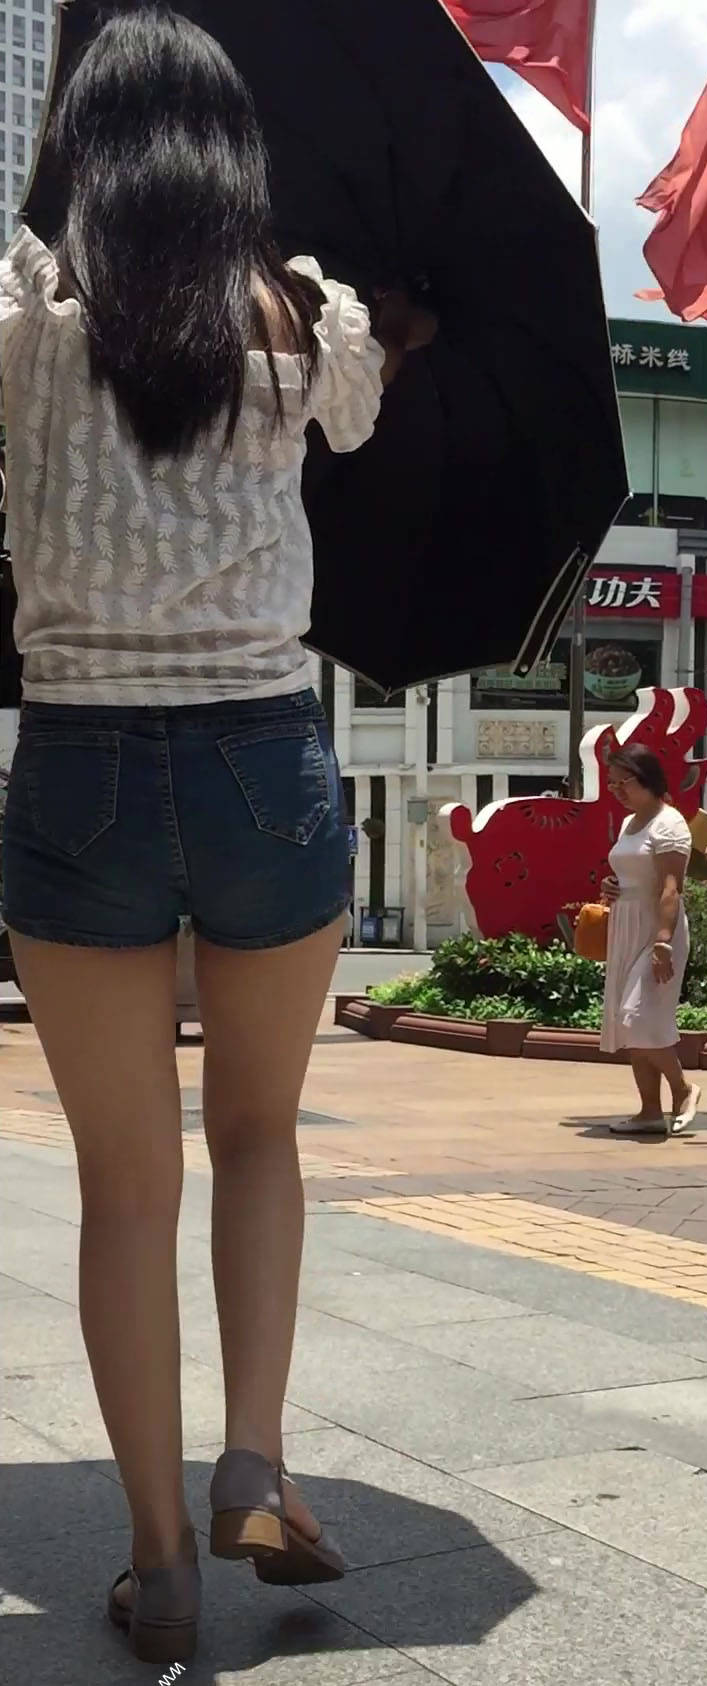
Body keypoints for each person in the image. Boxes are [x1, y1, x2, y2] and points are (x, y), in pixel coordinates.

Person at [0, 11, 434, 1665]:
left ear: (86, 154)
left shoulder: (27, 316)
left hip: (83, 763)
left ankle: (159, 1560)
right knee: (259, 1131)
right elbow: (363, 420)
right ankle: (255, 1459)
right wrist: (379, 323)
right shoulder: (302, 316)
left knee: (126, 1181)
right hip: (265, 758)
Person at [600, 744, 701, 1136]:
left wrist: (662, 941)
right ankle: (649, 1111)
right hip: (625, 925)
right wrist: (613, 886)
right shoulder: (630, 822)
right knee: (632, 1024)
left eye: (623, 782)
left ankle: (683, 1088)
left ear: (647, 779)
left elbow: (671, 888)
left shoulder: (669, 823)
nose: (617, 791)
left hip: (658, 929)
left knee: (638, 1016)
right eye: (612, 784)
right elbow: (631, 873)